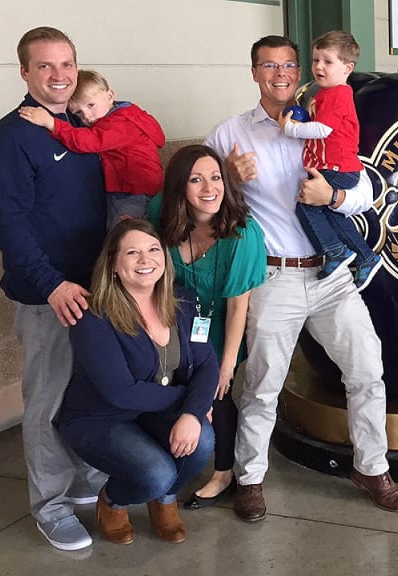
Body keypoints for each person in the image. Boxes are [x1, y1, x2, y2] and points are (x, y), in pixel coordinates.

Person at [205, 35, 398, 520]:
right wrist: (225, 178)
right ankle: (250, 479)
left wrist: (332, 198)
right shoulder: (229, 134)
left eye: (288, 65)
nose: (280, 73)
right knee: (262, 385)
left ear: (299, 72)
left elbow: (365, 191)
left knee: (367, 371)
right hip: (273, 277)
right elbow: (197, 203)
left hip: (331, 276)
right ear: (254, 73)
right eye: (268, 65)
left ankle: (372, 467)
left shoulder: (324, 113)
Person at [0, 26, 107, 551]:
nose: (59, 75)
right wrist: (52, 283)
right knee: (48, 402)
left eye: (67, 64)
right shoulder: (11, 137)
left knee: (91, 392)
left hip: (98, 289)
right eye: (45, 66)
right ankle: (51, 507)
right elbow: (6, 224)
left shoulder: (82, 125)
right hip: (48, 295)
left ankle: (84, 482)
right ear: (25, 73)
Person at [56, 218, 217, 545]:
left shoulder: (186, 302)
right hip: (101, 417)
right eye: (132, 253)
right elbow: (121, 392)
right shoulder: (93, 316)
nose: (146, 260)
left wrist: (192, 413)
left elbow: (207, 364)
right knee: (156, 472)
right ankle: (113, 501)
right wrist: (189, 403)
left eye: (153, 249)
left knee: (203, 439)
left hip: (154, 411)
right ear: (114, 265)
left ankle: (165, 498)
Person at [146, 145, 267, 510]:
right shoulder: (162, 212)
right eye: (196, 180)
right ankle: (166, 462)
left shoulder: (242, 234)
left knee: (217, 392)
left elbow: (238, 305)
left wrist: (226, 365)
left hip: (218, 324)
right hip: (174, 321)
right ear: (180, 187)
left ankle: (223, 472)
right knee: (170, 389)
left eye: (216, 178)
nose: (209, 188)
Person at [280, 31, 381, 289]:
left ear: (348, 68)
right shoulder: (324, 93)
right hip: (333, 166)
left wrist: (290, 129)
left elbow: (322, 129)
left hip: (338, 167)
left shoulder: (339, 94)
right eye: (316, 60)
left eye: (328, 61)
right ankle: (366, 257)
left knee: (306, 205)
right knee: (333, 215)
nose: (319, 67)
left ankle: (335, 250)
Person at [18, 69, 165, 228]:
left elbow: (90, 141)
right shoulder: (130, 114)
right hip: (138, 188)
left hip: (134, 191)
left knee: (122, 232)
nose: (87, 116)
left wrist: (52, 123)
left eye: (91, 105)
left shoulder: (121, 122)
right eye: (78, 113)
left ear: (110, 96)